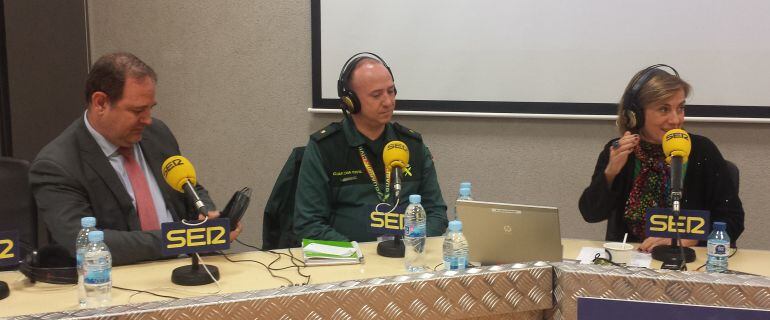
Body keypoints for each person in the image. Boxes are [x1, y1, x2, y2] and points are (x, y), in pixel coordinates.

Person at [29, 52, 242, 266]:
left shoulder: (157, 134)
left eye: (151, 108)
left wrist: (208, 218)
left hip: (187, 270)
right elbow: (81, 242)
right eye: (138, 110)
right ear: (100, 103)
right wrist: (182, 239)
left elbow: (188, 188)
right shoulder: (57, 165)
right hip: (115, 284)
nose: (148, 120)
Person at [579, 64, 744, 252]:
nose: (675, 120)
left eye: (680, 108)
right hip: (634, 259)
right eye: (664, 109)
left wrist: (688, 239)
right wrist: (611, 172)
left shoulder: (702, 150)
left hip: (690, 261)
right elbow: (591, 214)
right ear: (636, 115)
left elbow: (733, 220)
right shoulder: (620, 150)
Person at [294, 52, 448, 241]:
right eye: (376, 95)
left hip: (408, 258)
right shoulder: (325, 148)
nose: (388, 102)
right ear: (350, 102)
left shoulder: (412, 145)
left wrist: (413, 245)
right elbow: (309, 224)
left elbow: (436, 213)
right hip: (351, 263)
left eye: (391, 91)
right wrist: (359, 255)